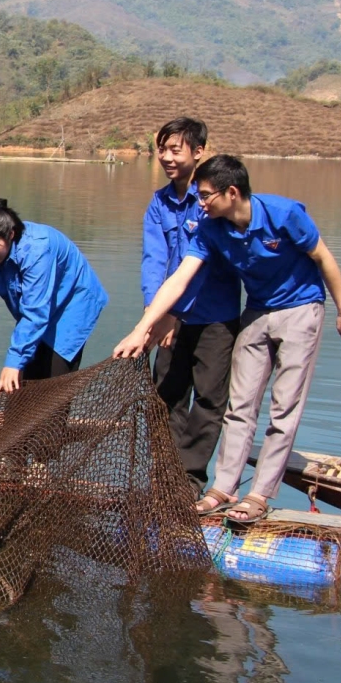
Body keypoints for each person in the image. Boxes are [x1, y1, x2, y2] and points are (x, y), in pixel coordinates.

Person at [113, 155, 341, 524]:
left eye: (205, 196)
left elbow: (323, 258)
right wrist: (143, 328)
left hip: (301, 310)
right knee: (239, 405)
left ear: (232, 193)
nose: (200, 203)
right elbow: (180, 279)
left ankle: (259, 494)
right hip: (257, 312)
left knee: (284, 408)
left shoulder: (283, 213)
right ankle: (223, 488)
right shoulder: (210, 229)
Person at [141, 117, 242, 494]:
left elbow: (200, 267)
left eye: (174, 149)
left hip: (215, 315)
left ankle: (189, 480)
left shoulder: (212, 201)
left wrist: (171, 312)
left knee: (210, 399)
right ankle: (163, 477)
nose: (167, 157)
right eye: (162, 150)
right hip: (169, 316)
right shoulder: (159, 202)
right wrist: (154, 312)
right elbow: (154, 259)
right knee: (165, 395)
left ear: (198, 152)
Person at [0, 199, 109, 395]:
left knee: (52, 383)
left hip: (71, 304)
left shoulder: (36, 249)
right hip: (35, 307)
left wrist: (13, 362)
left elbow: (35, 312)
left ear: (10, 234)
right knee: (23, 386)